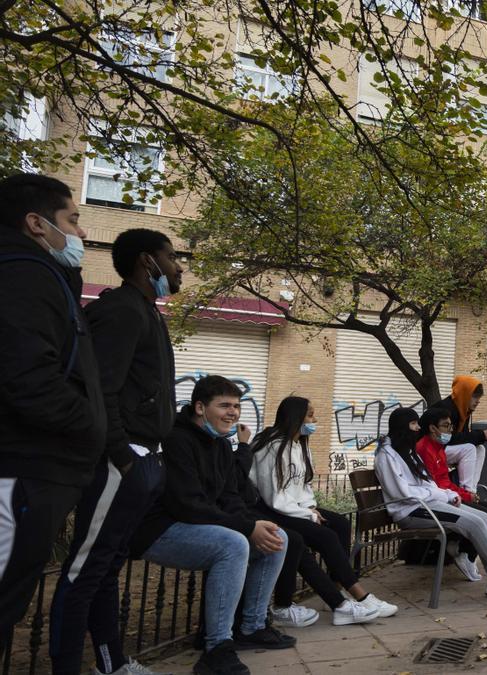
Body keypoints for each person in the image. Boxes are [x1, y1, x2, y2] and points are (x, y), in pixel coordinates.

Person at [49, 228, 183, 675]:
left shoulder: (147, 313)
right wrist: (124, 457)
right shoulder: (121, 311)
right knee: (83, 572)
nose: (179, 267)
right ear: (148, 262)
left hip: (141, 459)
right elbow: (99, 389)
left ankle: (112, 664)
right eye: (172, 257)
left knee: (104, 571)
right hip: (121, 462)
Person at [0, 174, 106, 647]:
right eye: (73, 220)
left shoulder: (43, 274)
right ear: (36, 223)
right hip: (21, 471)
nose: (82, 233)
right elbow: (27, 377)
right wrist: (91, 429)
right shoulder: (21, 274)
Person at [128, 376, 294, 675]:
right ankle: (216, 648)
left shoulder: (219, 443)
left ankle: (252, 627)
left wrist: (252, 523)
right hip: (160, 530)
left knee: (276, 536)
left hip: (199, 525)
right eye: (225, 406)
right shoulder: (176, 439)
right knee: (233, 544)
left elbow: (229, 496)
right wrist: (245, 529)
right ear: (200, 407)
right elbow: (187, 505)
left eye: (237, 406)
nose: (233, 413)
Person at [249, 396, 397, 625]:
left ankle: (340, 588)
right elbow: (274, 496)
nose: (315, 420)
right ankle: (359, 595)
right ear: (295, 416)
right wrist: (307, 514)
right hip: (270, 510)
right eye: (310, 415)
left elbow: (302, 485)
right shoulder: (273, 445)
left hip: (294, 508)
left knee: (340, 524)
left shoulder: (299, 445)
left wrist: (310, 507)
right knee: (324, 536)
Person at [377, 407, 487, 597]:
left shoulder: (406, 451)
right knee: (475, 522)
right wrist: (444, 495)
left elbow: (426, 482)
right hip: (410, 511)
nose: (417, 428)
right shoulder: (386, 456)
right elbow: (401, 493)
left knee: (485, 517)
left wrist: (446, 494)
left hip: (427, 504)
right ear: (401, 427)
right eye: (413, 424)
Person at [415, 407, 487, 580]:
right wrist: (465, 496)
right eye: (446, 426)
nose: (449, 431)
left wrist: (466, 494)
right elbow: (435, 486)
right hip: (440, 499)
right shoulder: (424, 449)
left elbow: (445, 481)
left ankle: (463, 551)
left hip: (449, 494)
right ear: (432, 428)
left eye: (451, 426)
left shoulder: (438, 447)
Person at [434, 375, 487, 495]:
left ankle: (472, 490)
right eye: (475, 396)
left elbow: (462, 437)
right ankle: (466, 491)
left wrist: (483, 436)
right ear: (464, 394)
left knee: (480, 449)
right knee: (469, 448)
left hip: (444, 448)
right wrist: (482, 435)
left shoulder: (464, 410)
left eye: (479, 397)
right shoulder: (445, 409)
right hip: (433, 450)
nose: (478, 401)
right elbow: (447, 439)